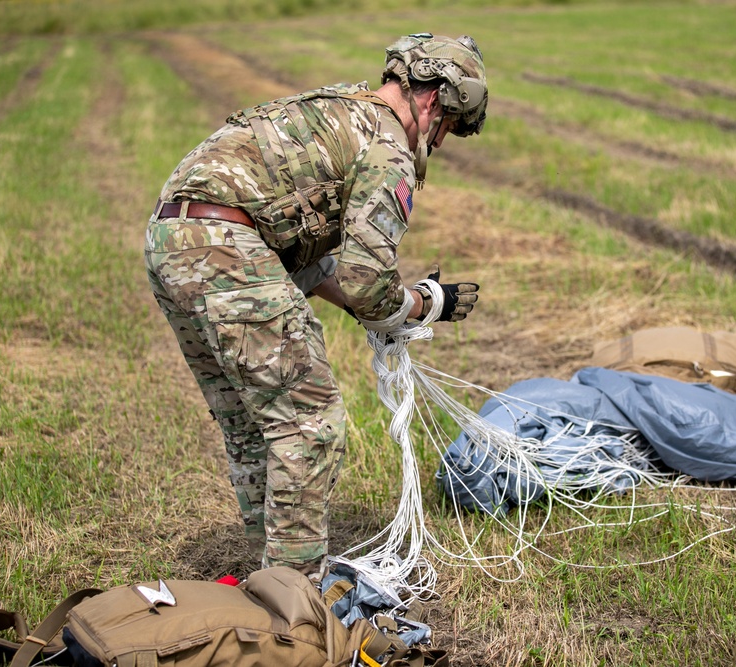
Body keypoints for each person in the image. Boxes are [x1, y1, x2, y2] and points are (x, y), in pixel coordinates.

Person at [144, 33, 487, 579]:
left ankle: (270, 577)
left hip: (172, 241)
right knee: (309, 422)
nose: (442, 142)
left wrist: (366, 302)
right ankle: (296, 604)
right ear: (436, 99)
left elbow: (313, 258)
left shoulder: (340, 110)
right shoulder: (389, 147)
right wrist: (423, 303)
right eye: (449, 127)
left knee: (253, 424)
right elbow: (367, 280)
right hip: (226, 247)